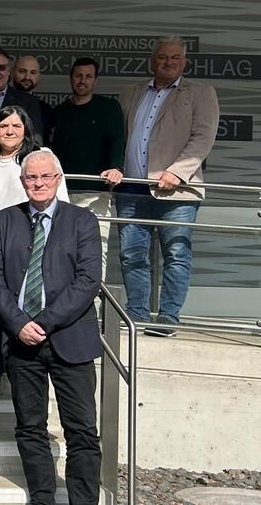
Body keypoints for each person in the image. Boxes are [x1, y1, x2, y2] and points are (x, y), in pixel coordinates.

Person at [0, 149, 106, 505]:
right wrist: (19, 324)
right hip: (22, 343)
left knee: (82, 430)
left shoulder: (82, 220)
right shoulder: (5, 221)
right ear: (23, 182)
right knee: (30, 427)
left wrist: (44, 322)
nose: (37, 184)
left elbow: (88, 281)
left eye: (44, 177)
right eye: (30, 178)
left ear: (57, 179)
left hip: (70, 339)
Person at [116, 36, 219, 336]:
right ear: (153, 59)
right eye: (163, 57)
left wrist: (177, 172)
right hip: (133, 188)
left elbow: (203, 139)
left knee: (176, 253)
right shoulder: (131, 93)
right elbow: (118, 136)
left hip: (177, 190)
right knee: (132, 254)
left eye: (175, 57)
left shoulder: (200, 93)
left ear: (184, 62)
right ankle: (136, 316)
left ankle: (168, 318)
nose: (168, 62)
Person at [0, 106, 68, 400]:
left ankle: (20, 375)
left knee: (22, 313)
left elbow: (59, 203)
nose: (10, 131)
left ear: (26, 128)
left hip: (29, 250)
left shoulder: (39, 160)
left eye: (16, 125)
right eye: (3, 126)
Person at [50, 57, 124, 283]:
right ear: (71, 78)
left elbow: (117, 142)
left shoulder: (109, 108)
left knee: (94, 254)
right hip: (62, 194)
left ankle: (93, 311)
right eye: (78, 75)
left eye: (88, 76)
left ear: (95, 80)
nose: (82, 81)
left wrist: (116, 167)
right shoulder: (59, 112)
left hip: (96, 194)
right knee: (61, 254)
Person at [12, 55, 55, 143]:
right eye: (22, 71)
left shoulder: (45, 109)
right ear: (12, 72)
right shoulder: (1, 101)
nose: (27, 77)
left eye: (33, 72)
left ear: (39, 76)